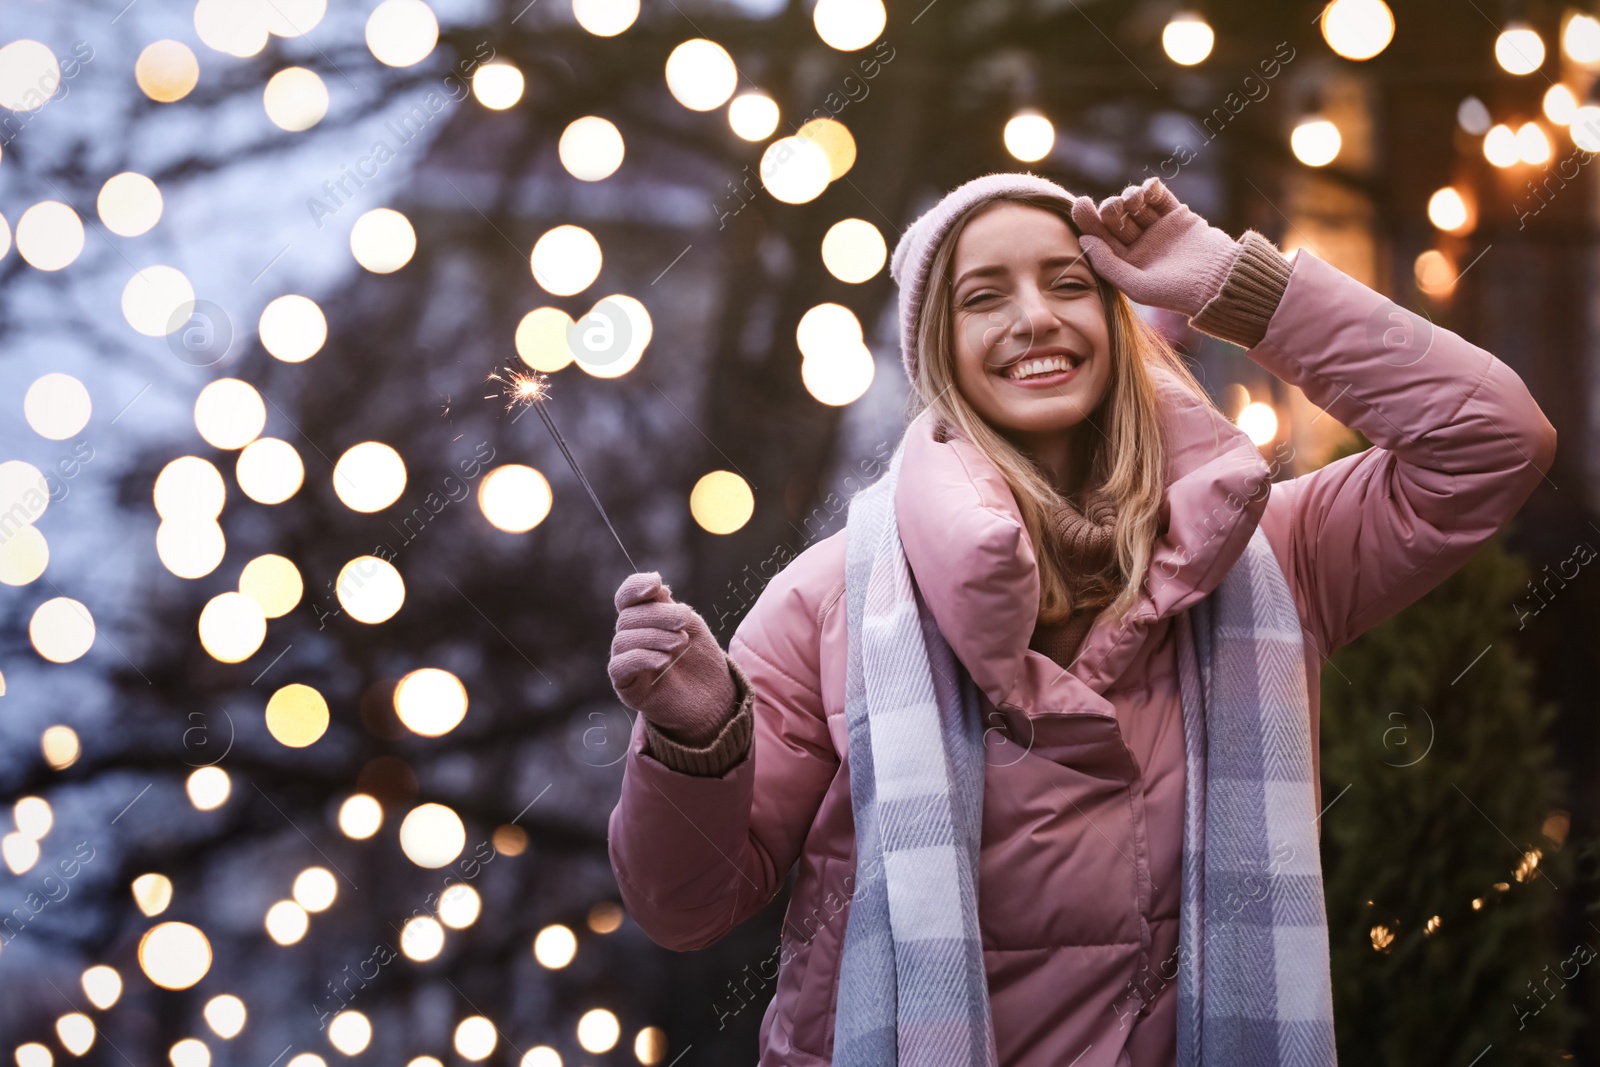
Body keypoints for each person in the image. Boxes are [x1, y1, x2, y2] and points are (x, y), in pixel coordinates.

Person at [604, 173, 1557, 1066]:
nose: (1034, 317)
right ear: (940, 348)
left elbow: (1491, 440)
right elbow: (686, 907)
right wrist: (695, 743)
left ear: (1114, 314)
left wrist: (1239, 286)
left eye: (1068, 282)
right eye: (984, 296)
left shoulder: (1267, 556)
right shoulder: (832, 601)